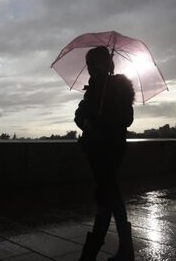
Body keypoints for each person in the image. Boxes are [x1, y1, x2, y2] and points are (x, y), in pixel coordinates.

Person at [74, 46, 135, 261]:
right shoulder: (92, 89)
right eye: (88, 63)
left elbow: (126, 118)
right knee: (110, 195)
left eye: (93, 62)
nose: (90, 67)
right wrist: (85, 121)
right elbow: (79, 114)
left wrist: (99, 121)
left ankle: (90, 253)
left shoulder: (118, 86)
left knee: (105, 194)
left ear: (104, 63)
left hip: (111, 148)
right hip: (94, 148)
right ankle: (125, 249)